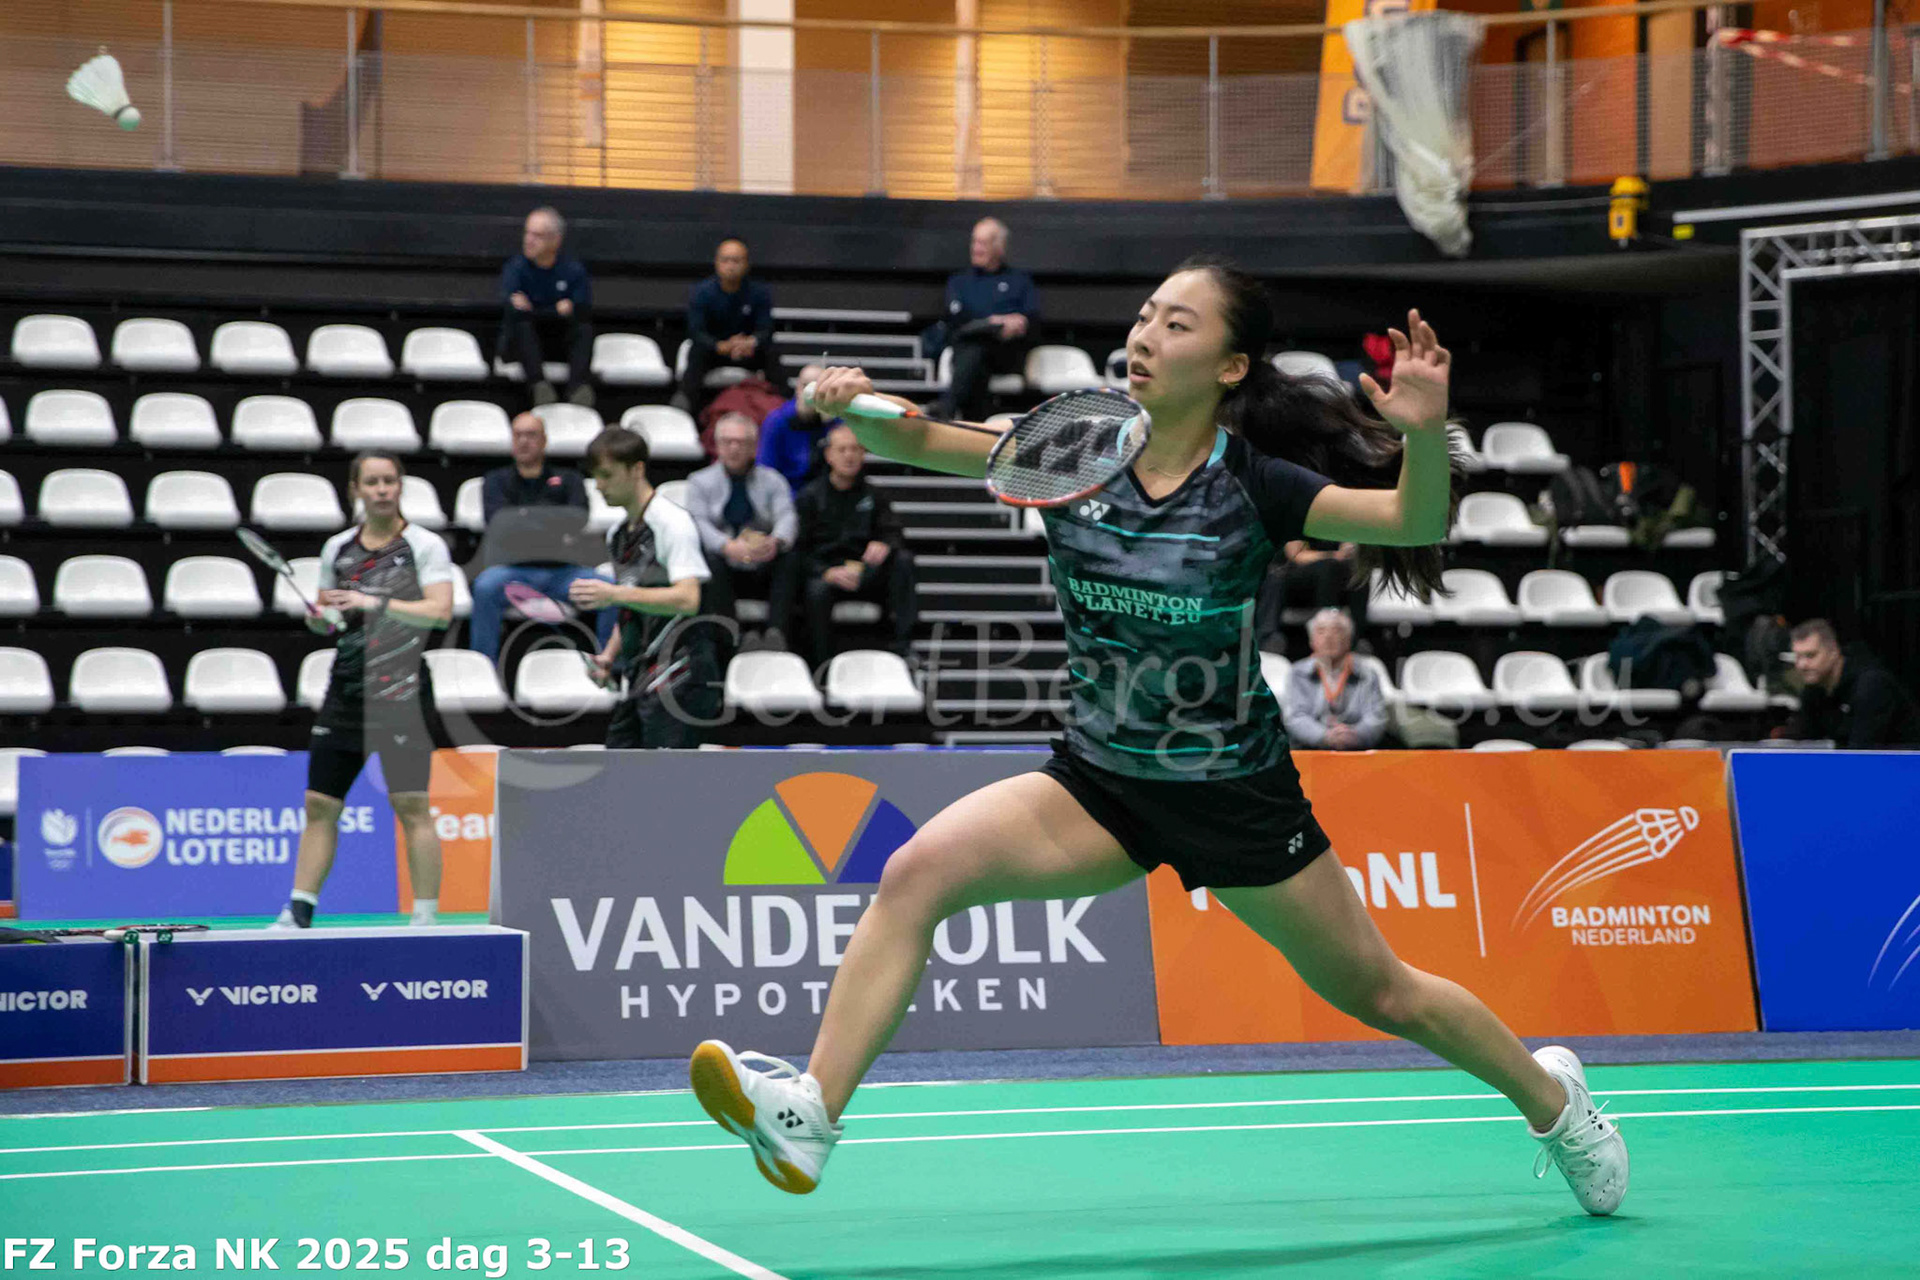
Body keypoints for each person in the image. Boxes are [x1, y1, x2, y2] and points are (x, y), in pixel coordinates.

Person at [687, 258, 1627, 1220]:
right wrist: (853, 404)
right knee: (914, 875)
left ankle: (1557, 1105)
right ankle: (811, 1114)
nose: (1145, 335)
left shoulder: (1255, 485)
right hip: (1101, 781)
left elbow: (1410, 518)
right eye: (1145, 316)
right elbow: (927, 439)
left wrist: (1424, 432)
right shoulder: (1073, 450)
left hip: (1234, 794)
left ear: (1230, 366)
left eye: (1178, 325)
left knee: (1384, 995)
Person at [274, 451, 454, 930]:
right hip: (347, 690)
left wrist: (372, 602)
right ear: (356, 489)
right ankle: (298, 911)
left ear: (400, 486)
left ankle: (425, 919)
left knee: (411, 805)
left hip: (403, 692)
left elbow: (440, 612)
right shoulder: (337, 548)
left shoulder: (425, 545)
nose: (382, 489)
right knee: (320, 804)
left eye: (389, 480)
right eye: (372, 482)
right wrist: (320, 620)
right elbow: (331, 616)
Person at [572, 428, 719, 748]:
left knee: (664, 776)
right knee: (619, 765)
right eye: (596, 476)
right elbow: (634, 602)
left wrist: (613, 594)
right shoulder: (618, 534)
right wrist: (609, 656)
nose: (598, 485)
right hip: (641, 676)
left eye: (607, 475)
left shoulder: (672, 523)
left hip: (680, 675)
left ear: (637, 469)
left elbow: (688, 598)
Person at [468, 412, 612, 663]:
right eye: (518, 435)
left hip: (564, 572)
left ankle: (609, 666)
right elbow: (498, 523)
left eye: (531, 435)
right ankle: (483, 670)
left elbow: (578, 518)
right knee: (484, 588)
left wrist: (521, 517)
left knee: (610, 590)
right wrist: (553, 520)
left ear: (544, 440)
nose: (524, 441)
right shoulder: (495, 481)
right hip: (512, 572)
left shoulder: (569, 479)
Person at [790, 424, 917, 666]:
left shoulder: (875, 495)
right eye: (842, 450)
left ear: (863, 454)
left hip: (866, 572)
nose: (849, 455)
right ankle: (821, 663)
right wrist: (825, 572)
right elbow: (798, 549)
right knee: (815, 589)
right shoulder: (809, 497)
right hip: (828, 573)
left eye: (855, 449)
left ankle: (904, 647)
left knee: (903, 561)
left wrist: (884, 544)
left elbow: (894, 532)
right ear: (829, 455)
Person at [686, 412, 799, 649]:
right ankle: (734, 638)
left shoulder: (774, 480)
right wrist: (727, 546)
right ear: (717, 445)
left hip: (762, 562)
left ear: (754, 447)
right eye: (728, 442)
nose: (734, 448)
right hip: (724, 565)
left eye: (742, 442)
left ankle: (776, 635)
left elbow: (787, 515)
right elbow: (697, 522)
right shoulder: (698, 481)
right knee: (708, 559)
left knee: (791, 558)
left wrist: (775, 542)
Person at [930, 217, 1038, 422]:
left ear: (1000, 247)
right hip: (968, 352)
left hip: (1005, 353)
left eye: (983, 243)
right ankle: (976, 424)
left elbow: (1031, 320)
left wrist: (1012, 325)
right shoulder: (960, 281)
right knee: (976, 351)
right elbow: (957, 321)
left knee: (976, 348)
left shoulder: (1019, 281)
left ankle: (948, 407)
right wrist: (993, 322)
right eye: (974, 241)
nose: (976, 248)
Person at [499, 206, 595, 408]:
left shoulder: (573, 269)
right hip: (525, 345)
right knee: (523, 326)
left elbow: (581, 308)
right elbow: (515, 309)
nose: (528, 240)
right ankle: (539, 387)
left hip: (557, 341)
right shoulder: (515, 268)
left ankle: (578, 389)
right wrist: (554, 310)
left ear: (555, 240)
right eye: (527, 233)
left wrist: (535, 310)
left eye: (537, 235)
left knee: (583, 330)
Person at [1775, 618, 1920, 746]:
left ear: (1833, 651)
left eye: (1810, 655)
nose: (1802, 665)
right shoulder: (1814, 690)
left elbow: (1861, 754)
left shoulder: (1871, 685)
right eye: (1798, 657)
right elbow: (1803, 741)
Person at [677, 237, 781, 414]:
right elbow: (695, 331)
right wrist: (720, 346)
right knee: (696, 353)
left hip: (748, 352)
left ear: (746, 264)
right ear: (717, 263)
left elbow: (766, 329)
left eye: (736, 261)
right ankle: (685, 409)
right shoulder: (702, 292)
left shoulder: (759, 293)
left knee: (771, 352)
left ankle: (782, 408)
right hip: (714, 351)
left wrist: (750, 342)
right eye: (725, 260)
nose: (730, 266)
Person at [1283, 608, 1387, 750]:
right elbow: (1295, 718)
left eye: (1336, 630)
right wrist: (1325, 736)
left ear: (1349, 640)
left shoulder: (1368, 674)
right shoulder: (1298, 673)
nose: (1328, 637)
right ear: (1311, 641)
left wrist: (1354, 735)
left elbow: (1376, 718)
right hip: (1309, 751)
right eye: (1321, 631)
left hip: (1357, 750)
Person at [1256, 537, 1367, 651]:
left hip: (1330, 575)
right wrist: (1332, 555)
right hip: (1294, 578)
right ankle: (1326, 635)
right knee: (1329, 568)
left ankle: (1357, 638)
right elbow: (1296, 555)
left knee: (1360, 573)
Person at [758, 362, 834, 493]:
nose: (810, 394)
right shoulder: (777, 421)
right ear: (797, 388)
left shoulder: (833, 422)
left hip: (824, 497)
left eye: (816, 388)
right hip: (785, 495)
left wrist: (830, 427)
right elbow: (765, 470)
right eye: (805, 386)